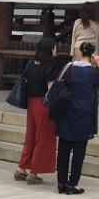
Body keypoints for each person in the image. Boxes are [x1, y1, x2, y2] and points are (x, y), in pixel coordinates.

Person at [56, 41, 99, 195]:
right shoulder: (92, 73)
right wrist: (98, 63)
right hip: (84, 115)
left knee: (64, 150)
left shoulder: (70, 68)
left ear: (80, 52)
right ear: (92, 54)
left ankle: (61, 183)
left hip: (66, 112)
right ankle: (72, 183)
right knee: (79, 152)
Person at [14, 36, 58, 185]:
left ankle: (21, 167)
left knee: (31, 136)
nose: (56, 50)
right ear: (50, 49)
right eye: (54, 48)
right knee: (43, 137)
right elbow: (51, 88)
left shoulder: (31, 63)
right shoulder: (50, 65)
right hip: (44, 103)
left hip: (31, 102)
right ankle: (34, 172)